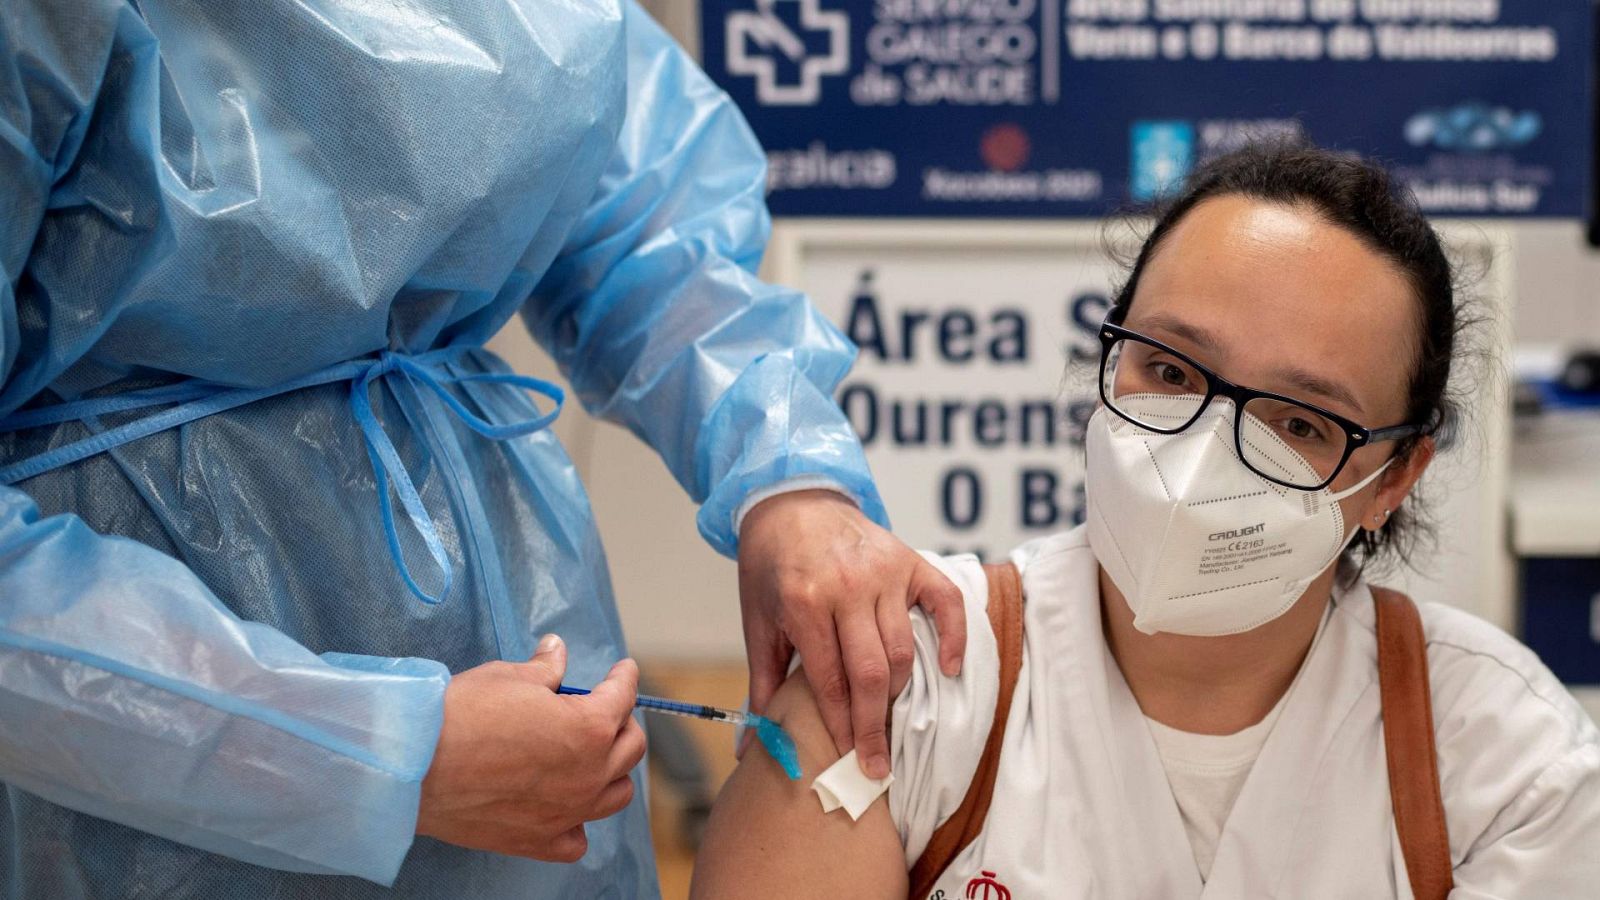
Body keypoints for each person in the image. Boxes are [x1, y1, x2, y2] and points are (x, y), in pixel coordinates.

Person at [0, 1, 965, 896]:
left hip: (509, 580)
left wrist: (786, 475)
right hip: (103, 751)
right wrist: (362, 753)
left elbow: (638, 226)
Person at [691, 143, 1600, 899]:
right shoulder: (903, 685)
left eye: (1299, 424)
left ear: (1394, 478)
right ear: (1110, 348)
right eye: (1171, 371)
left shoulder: (1507, 766)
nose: (1207, 449)